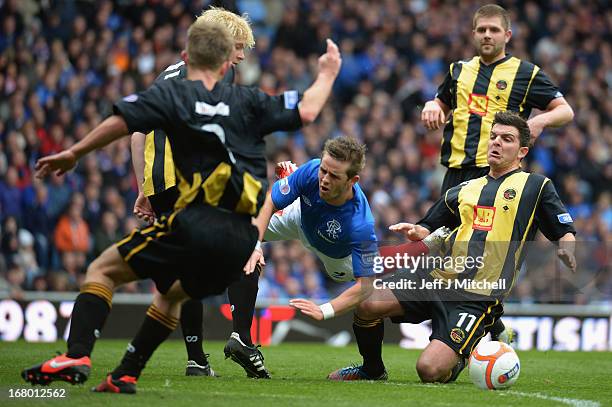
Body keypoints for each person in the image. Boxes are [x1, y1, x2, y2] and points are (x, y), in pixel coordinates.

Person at [22, 19, 342, 394]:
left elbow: (123, 123)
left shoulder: (172, 96)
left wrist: (75, 152)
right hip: (242, 239)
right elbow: (306, 110)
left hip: (192, 221)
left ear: (186, 56)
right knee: (174, 293)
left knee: (101, 270)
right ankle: (127, 373)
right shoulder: (250, 100)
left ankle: (77, 353)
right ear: (226, 64)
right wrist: (328, 73)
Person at [317, 111, 576, 382]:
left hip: (476, 296)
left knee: (429, 370)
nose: (497, 142)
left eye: (506, 139)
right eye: (494, 136)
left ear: (522, 151)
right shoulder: (465, 188)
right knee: (367, 304)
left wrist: (567, 248)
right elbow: (429, 224)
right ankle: (371, 369)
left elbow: (564, 230)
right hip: (434, 279)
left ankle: (465, 350)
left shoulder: (536, 186)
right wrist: (416, 230)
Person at [420, 3, 574, 341]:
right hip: (456, 175)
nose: (487, 35)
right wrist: (433, 105)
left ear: (507, 35)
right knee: (443, 258)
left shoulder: (525, 73)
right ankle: (489, 329)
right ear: (473, 34)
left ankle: (475, 326)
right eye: (481, 30)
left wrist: (539, 120)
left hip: (496, 176)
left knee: (483, 257)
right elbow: (442, 103)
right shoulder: (458, 70)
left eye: (493, 30)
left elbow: (565, 110)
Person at [236, 137, 450, 380]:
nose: (325, 179)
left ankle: (429, 243)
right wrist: (255, 246)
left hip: (338, 258)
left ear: (352, 180)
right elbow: (269, 203)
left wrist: (325, 310)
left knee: (378, 269)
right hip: (300, 219)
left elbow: (364, 286)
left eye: (334, 176)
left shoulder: (360, 223)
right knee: (242, 229)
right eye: (323, 171)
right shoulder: (312, 172)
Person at [130, 6, 258, 378]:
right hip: (190, 178)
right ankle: (242, 337)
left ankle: (195, 359)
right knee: (246, 244)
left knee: (187, 264)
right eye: (239, 47)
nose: (242, 56)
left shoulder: (166, 72)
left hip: (160, 182)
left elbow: (138, 131)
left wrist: (144, 187)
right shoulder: (212, 72)